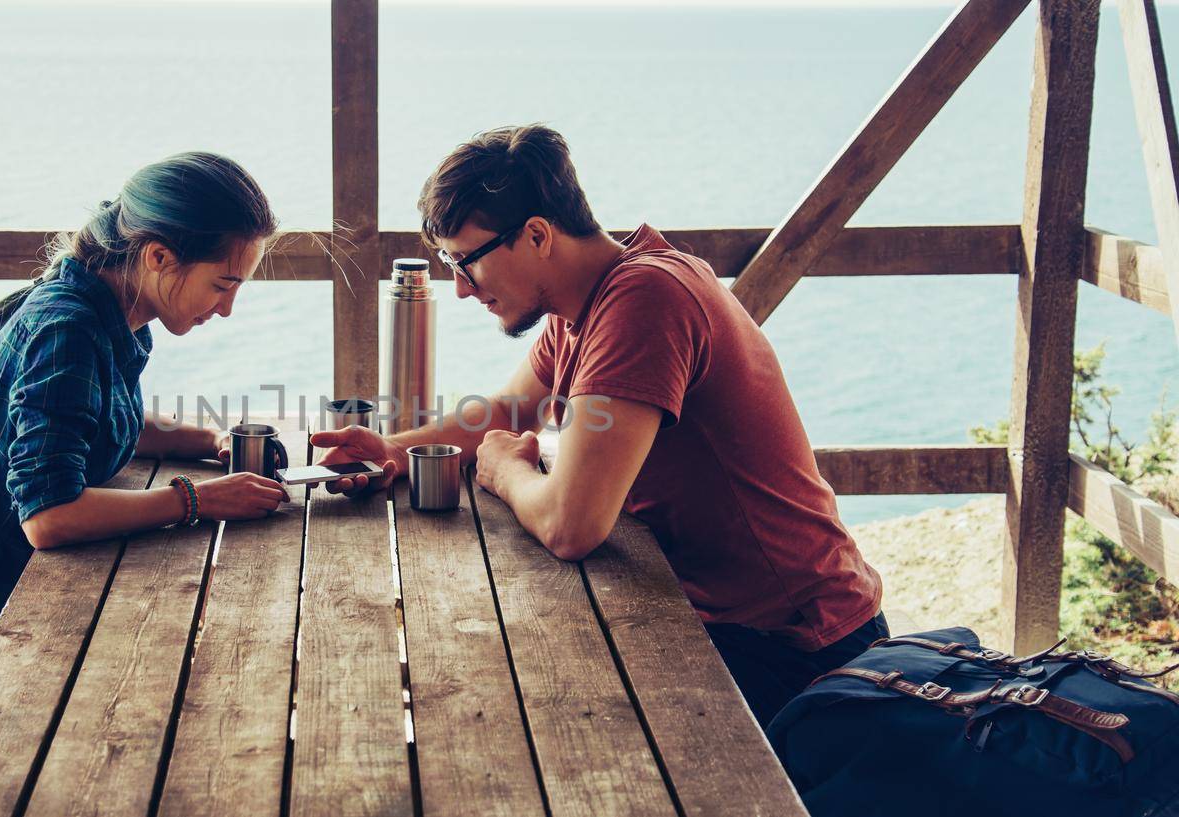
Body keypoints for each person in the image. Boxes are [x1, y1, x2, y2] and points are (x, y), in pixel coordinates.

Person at [313, 125, 885, 726]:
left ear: (537, 234)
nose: (459, 289)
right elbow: (504, 414)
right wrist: (393, 450)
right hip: (709, 618)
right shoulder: (583, 303)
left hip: (798, 650)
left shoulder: (645, 299)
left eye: (466, 263)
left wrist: (507, 471)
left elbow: (569, 525)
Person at [0, 153, 290, 721]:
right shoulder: (67, 327)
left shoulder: (112, 307)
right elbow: (49, 518)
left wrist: (207, 440)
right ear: (159, 257)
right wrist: (195, 500)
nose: (228, 308)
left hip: (3, 620)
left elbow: (94, 417)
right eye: (222, 284)